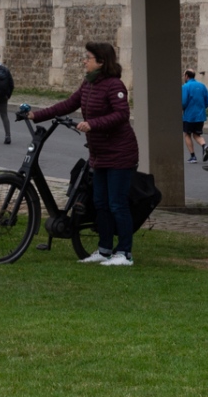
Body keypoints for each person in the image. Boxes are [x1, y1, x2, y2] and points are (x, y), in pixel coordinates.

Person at [29, 42, 139, 266]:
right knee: (100, 203)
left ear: (101, 62)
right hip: (99, 154)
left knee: (117, 203)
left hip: (120, 153)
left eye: (88, 58)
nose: (84, 61)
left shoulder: (114, 85)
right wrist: (35, 115)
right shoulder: (88, 85)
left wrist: (93, 124)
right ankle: (104, 249)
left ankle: (125, 253)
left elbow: (121, 115)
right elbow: (68, 104)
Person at [181, 70, 208, 162]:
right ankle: (204, 145)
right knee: (197, 134)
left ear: (186, 76)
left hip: (189, 116)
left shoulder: (185, 86)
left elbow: (183, 102)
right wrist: (202, 107)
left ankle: (193, 156)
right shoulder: (202, 86)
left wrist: (183, 108)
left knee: (187, 134)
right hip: (200, 115)